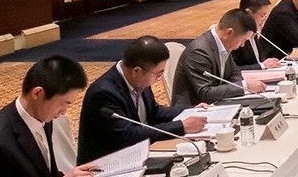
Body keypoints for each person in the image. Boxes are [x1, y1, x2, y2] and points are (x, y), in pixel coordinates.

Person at [77, 36, 209, 162]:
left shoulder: (139, 79)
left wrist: (191, 110)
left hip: (136, 155)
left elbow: (154, 112)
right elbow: (128, 135)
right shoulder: (104, 93)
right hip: (105, 166)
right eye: (158, 74)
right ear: (137, 71)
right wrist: (181, 127)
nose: (158, 79)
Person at [171, 8, 266, 108]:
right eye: (243, 40)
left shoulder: (225, 45)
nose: (242, 45)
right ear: (229, 32)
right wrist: (244, 86)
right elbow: (206, 93)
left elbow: (235, 74)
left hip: (216, 105)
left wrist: (232, 87)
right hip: (191, 110)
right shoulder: (199, 51)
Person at [232, 0, 282, 71]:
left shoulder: (253, 32)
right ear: (249, 13)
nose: (264, 19)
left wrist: (266, 64)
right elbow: (232, 70)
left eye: (266, 15)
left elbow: (257, 61)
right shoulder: (236, 35)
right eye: (262, 15)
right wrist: (261, 66)